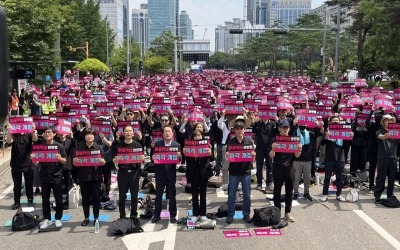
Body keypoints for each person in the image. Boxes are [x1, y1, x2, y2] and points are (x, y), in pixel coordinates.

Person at [33, 126, 67, 229]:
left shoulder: (59, 146)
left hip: (56, 176)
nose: (47, 134)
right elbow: (37, 163)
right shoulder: (40, 147)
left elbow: (65, 161)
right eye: (45, 132)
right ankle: (47, 219)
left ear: (54, 134)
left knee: (58, 199)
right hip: (44, 176)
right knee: (45, 199)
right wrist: (34, 160)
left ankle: (58, 218)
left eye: (49, 132)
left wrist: (60, 158)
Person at [269, 120, 302, 222]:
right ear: (279, 128)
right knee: (277, 191)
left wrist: (299, 150)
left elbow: (297, 156)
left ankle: (288, 212)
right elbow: (271, 156)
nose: (285, 130)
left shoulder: (293, 139)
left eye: (287, 128)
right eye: (283, 128)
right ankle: (277, 212)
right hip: (278, 167)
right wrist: (273, 149)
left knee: (289, 191)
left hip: (290, 168)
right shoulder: (275, 139)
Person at [225, 116, 256, 224]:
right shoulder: (231, 142)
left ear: (244, 130)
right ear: (234, 130)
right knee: (231, 194)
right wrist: (227, 156)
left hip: (246, 171)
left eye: (241, 128)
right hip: (233, 172)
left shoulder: (249, 142)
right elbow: (228, 157)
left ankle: (246, 214)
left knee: (247, 195)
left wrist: (254, 155)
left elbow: (253, 156)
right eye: (237, 128)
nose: (239, 130)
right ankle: (230, 214)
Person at [73, 129, 106, 226]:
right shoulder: (79, 149)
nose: (89, 136)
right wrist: (75, 162)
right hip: (83, 177)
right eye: (87, 134)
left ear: (94, 136)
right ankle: (86, 217)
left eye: (91, 134)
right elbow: (75, 163)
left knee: (96, 198)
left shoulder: (99, 148)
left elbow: (104, 161)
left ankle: (96, 217)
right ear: (84, 137)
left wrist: (102, 162)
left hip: (96, 177)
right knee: (85, 199)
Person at [112, 125, 145, 219]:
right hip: (122, 172)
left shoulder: (137, 145)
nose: (128, 133)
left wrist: (142, 160)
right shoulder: (119, 146)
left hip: (134, 172)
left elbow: (141, 161)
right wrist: (115, 161)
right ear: (123, 133)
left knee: (134, 195)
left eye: (130, 131)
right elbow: (115, 160)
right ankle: (122, 215)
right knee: (122, 195)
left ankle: (133, 215)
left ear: (133, 133)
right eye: (126, 131)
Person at [151, 125, 181, 224]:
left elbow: (179, 161)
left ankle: (173, 215)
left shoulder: (176, 145)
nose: (167, 133)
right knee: (158, 195)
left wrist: (179, 157)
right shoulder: (158, 144)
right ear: (162, 134)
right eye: (165, 131)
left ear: (172, 133)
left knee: (172, 195)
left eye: (169, 131)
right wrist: (153, 157)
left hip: (171, 173)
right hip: (160, 173)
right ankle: (156, 215)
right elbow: (153, 158)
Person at [320, 115, 353, 202]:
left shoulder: (343, 132)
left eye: (337, 121)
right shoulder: (327, 131)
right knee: (327, 178)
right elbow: (322, 143)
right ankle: (325, 194)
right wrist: (326, 137)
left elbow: (349, 142)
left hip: (340, 158)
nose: (335, 123)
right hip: (329, 158)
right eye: (333, 121)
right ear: (330, 123)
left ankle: (339, 194)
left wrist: (351, 136)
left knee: (339, 178)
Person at [6, 123, 38, 209]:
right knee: (17, 185)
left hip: (28, 163)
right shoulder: (14, 134)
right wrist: (9, 131)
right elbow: (9, 141)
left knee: (29, 184)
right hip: (16, 164)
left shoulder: (29, 134)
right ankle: (17, 202)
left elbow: (35, 139)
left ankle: (30, 200)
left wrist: (33, 130)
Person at [184, 130, 213, 222]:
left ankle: (203, 214)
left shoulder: (206, 145)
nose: (197, 138)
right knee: (194, 194)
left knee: (203, 194)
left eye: (199, 136)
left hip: (203, 172)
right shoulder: (188, 146)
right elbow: (186, 159)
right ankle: (195, 214)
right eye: (195, 136)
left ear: (202, 136)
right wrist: (184, 151)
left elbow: (211, 158)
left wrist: (210, 151)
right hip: (193, 172)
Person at [292, 123, 321, 201]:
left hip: (308, 159)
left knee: (307, 178)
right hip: (297, 159)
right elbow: (289, 132)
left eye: (304, 123)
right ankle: (295, 192)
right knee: (296, 177)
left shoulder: (310, 133)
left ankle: (306, 193)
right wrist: (294, 124)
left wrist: (317, 125)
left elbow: (318, 133)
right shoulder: (294, 132)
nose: (303, 125)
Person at [374, 114, 398, 203]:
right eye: (387, 120)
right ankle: (377, 195)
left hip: (393, 157)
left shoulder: (396, 131)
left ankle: (390, 194)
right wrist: (385, 136)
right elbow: (379, 136)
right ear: (383, 122)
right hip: (383, 157)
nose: (389, 121)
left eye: (391, 120)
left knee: (392, 178)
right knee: (381, 177)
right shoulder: (380, 130)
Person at [252, 115, 276, 192]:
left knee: (269, 165)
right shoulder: (258, 123)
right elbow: (253, 131)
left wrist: (277, 121)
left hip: (269, 148)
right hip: (259, 148)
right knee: (259, 166)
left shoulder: (272, 123)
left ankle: (269, 182)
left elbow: (277, 132)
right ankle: (259, 183)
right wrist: (255, 122)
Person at [55, 131, 73, 209]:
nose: (62, 134)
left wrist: (72, 137)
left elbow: (74, 147)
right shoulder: (55, 142)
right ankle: (59, 201)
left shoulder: (69, 141)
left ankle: (67, 201)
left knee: (67, 184)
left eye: (63, 132)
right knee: (58, 184)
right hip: (57, 166)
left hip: (67, 165)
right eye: (60, 133)